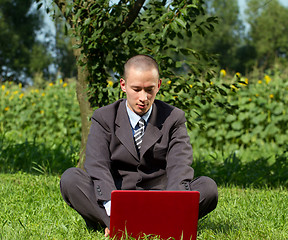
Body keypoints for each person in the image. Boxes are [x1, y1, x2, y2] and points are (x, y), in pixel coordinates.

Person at [60, 55, 218, 237]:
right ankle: (118, 222)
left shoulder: (174, 118)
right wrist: (113, 207)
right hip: (117, 199)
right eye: (136, 89)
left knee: (208, 187)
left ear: (158, 85)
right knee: (71, 179)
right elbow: (97, 165)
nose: (143, 97)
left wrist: (173, 204)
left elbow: (180, 166)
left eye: (149, 90)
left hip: (161, 199)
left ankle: (153, 222)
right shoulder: (103, 117)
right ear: (123, 85)